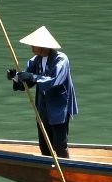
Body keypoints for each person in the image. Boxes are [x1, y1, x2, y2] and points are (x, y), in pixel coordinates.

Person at [7, 25, 79, 157]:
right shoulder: (35, 61)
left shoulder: (61, 60)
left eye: (34, 45)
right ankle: (48, 169)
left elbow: (55, 80)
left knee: (59, 145)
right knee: (44, 145)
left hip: (59, 107)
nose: (31, 48)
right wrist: (16, 77)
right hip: (43, 107)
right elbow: (27, 82)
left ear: (43, 46)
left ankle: (66, 168)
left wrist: (33, 76)